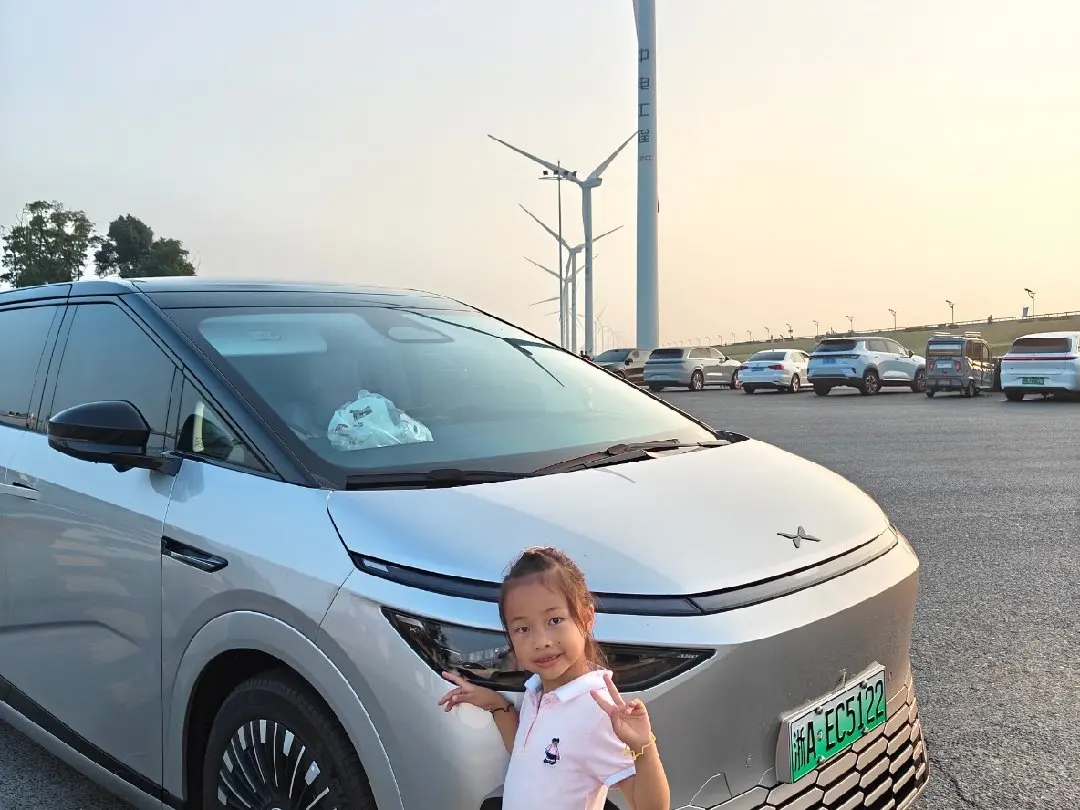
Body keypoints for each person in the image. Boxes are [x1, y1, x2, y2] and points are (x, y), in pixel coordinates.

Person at [437, 547, 670, 810]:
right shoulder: (537, 689)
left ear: (586, 618)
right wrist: (496, 705)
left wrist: (644, 747)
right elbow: (529, 758)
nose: (541, 641)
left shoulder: (596, 712)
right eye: (523, 628)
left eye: (555, 620)